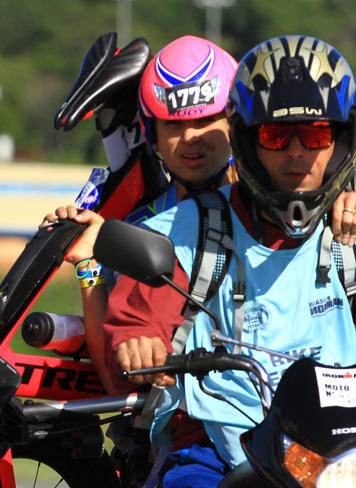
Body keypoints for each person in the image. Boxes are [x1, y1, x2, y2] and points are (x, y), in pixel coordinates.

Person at [97, 34, 356, 487]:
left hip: (339, 450)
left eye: (315, 134)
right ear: (249, 141)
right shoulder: (182, 230)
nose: (297, 152)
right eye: (277, 135)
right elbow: (138, 320)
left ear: (340, 142)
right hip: (218, 452)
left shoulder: (348, 227)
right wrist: (138, 341)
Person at [44, 35, 356, 394]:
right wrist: (91, 268)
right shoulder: (151, 230)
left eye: (206, 119)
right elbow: (122, 364)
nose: (191, 137)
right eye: (173, 125)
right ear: (153, 135)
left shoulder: (331, 208)